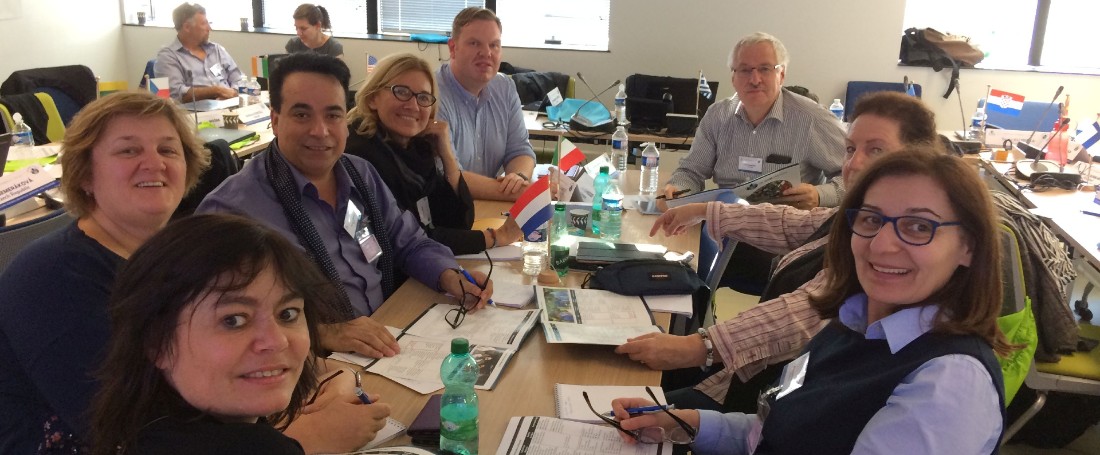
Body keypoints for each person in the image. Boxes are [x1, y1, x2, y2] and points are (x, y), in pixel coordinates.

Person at [614, 150, 1013, 454]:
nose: (883, 244)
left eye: (919, 227)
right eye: (872, 219)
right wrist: (687, 424)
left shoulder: (949, 384)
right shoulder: (850, 323)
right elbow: (777, 430)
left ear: (968, 247)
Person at [618, 92, 942, 412]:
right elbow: (791, 223)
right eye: (850, 149)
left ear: (915, 158)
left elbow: (809, 309)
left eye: (876, 150)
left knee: (616, 404)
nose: (854, 164)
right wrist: (703, 209)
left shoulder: (891, 246)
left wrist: (698, 346)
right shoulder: (861, 219)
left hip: (778, 400)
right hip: (756, 374)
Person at [197, 52, 493, 361]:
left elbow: (409, 241)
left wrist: (449, 274)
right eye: (302, 115)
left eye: (333, 115)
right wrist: (323, 332)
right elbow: (216, 321)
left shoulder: (359, 174)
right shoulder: (232, 210)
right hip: (309, 363)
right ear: (275, 119)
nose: (320, 131)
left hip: (388, 334)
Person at [0, 91, 210, 453]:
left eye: (167, 149)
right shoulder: (52, 278)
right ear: (85, 176)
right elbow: (120, 427)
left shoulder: (182, 255)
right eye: (129, 150)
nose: (154, 163)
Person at [88, 214, 361, 454]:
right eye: (233, 320)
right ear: (158, 343)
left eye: (287, 314)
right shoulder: (253, 448)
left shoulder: (141, 426)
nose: (277, 341)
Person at [345, 53, 522, 255]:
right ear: (372, 98)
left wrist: (447, 156)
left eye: (423, 97)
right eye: (401, 92)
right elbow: (408, 240)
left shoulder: (415, 150)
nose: (413, 106)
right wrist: (495, 237)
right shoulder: (362, 156)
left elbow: (457, 223)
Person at [660, 32, 846, 211]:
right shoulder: (717, 116)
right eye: (745, 70)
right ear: (733, 77)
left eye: (765, 69)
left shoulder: (812, 119)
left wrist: (820, 195)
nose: (755, 80)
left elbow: (858, 177)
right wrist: (677, 189)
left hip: (786, 235)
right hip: (726, 227)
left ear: (781, 75)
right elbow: (691, 172)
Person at [436, 7, 535, 201]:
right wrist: (522, 192)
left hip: (490, 209)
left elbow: (520, 149)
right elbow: (449, 176)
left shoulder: (505, 87)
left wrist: (518, 178)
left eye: (494, 45)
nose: (486, 53)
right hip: (447, 213)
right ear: (453, 48)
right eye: (474, 43)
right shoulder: (432, 95)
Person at [154, 2, 244, 101]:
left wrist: (233, 92)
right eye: (204, 24)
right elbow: (176, 94)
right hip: (195, 114)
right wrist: (216, 91)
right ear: (187, 27)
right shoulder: (168, 57)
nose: (209, 28)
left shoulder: (216, 50)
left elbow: (239, 79)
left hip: (230, 107)